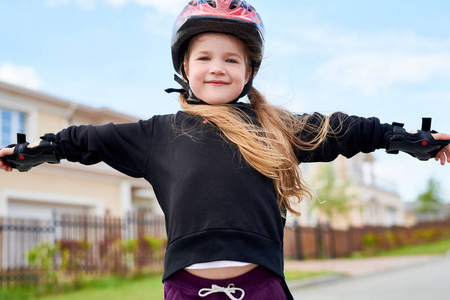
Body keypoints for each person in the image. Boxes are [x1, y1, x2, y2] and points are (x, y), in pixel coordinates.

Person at [1, 0, 449, 299]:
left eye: (231, 59)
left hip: (261, 286)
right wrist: (28, 152)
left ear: (248, 71)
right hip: (185, 288)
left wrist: (414, 142)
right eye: (205, 57)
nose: (218, 68)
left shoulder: (276, 127)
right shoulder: (156, 133)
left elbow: (348, 130)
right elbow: (85, 141)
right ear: (184, 67)